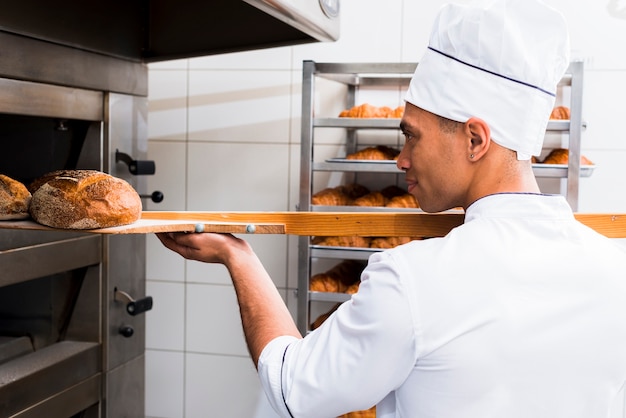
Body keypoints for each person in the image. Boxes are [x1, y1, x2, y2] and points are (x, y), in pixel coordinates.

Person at [157, 0, 626, 416]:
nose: (400, 159)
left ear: (476, 139)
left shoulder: (414, 279)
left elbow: (293, 390)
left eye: (410, 135)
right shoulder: (614, 269)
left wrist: (237, 256)